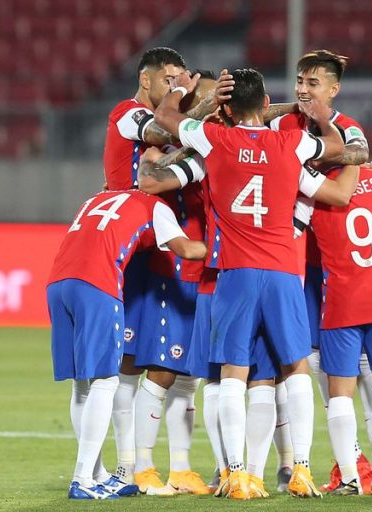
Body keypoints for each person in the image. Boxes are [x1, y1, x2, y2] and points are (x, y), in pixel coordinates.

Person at [153, 67, 357, 499]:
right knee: (296, 367)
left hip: (235, 272)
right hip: (283, 271)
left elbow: (167, 120)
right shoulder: (292, 141)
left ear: (226, 107)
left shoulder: (215, 139)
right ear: (267, 104)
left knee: (232, 372)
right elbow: (338, 148)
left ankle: (239, 474)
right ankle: (301, 468)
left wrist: (181, 93)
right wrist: (322, 117)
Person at [102, 47, 226, 487]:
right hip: (137, 252)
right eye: (169, 78)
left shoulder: (173, 135)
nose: (176, 85)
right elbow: (152, 161)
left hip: (167, 251)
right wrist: (207, 110)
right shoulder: (127, 113)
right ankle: (131, 465)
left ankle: (173, 466)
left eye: (181, 78)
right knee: (132, 364)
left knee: (179, 368)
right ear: (145, 79)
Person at [46, 188, 206, 499]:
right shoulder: (156, 206)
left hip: (57, 283)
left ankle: (96, 474)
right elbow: (185, 249)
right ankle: (82, 480)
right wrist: (227, 247)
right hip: (97, 285)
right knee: (106, 381)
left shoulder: (94, 198)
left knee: (82, 385)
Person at [275, 49, 372, 491]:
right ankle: (336, 458)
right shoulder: (286, 122)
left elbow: (361, 153)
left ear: (333, 91)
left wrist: (310, 158)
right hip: (293, 258)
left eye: (312, 83)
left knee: (361, 366)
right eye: (299, 80)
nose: (302, 89)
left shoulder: (348, 127)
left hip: (335, 262)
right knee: (303, 359)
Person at [129, 71, 217, 496]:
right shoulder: (164, 151)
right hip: (175, 265)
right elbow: (148, 180)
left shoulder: (220, 147)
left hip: (208, 270)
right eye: (207, 104)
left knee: (188, 376)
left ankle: (181, 468)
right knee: (163, 369)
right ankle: (142, 466)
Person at [310, 163, 372, 495]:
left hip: (340, 301)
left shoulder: (315, 191)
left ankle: (350, 477)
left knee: (340, 392)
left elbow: (293, 230)